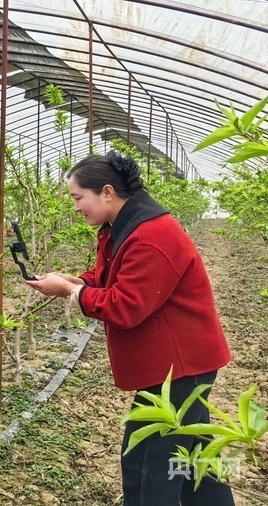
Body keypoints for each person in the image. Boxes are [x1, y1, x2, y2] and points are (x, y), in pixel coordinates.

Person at [25, 151, 233, 506]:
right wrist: (79, 281)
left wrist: (72, 292)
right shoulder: (125, 226)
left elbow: (126, 306)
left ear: (107, 192)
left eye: (78, 197)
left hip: (179, 368)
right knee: (194, 458)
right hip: (183, 364)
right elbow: (113, 278)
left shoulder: (151, 235)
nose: (76, 207)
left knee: (148, 464)